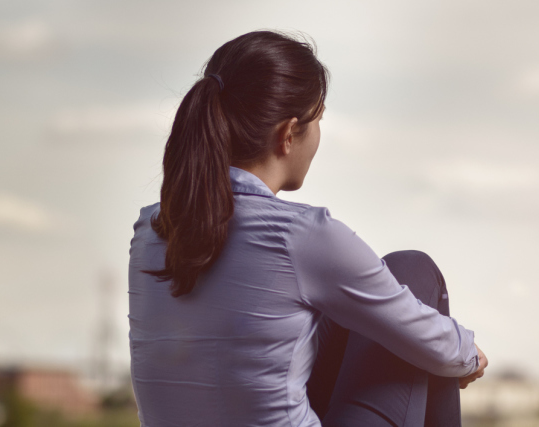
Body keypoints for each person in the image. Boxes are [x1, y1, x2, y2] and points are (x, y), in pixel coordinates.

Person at [127, 30, 488, 427]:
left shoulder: (150, 229)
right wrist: (468, 354)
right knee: (412, 268)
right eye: (319, 120)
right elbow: (435, 345)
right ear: (287, 135)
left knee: (338, 313)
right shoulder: (303, 237)